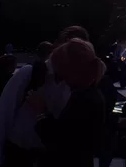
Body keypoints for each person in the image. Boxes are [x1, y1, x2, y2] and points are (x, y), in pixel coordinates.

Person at [0, 25, 90, 167]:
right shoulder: (29, 73)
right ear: (58, 47)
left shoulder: (74, 85)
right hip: (17, 155)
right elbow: (3, 115)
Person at [29, 38, 106, 167]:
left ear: (71, 69)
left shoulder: (83, 99)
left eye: (60, 71)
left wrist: (41, 112)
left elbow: (60, 143)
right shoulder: (91, 94)